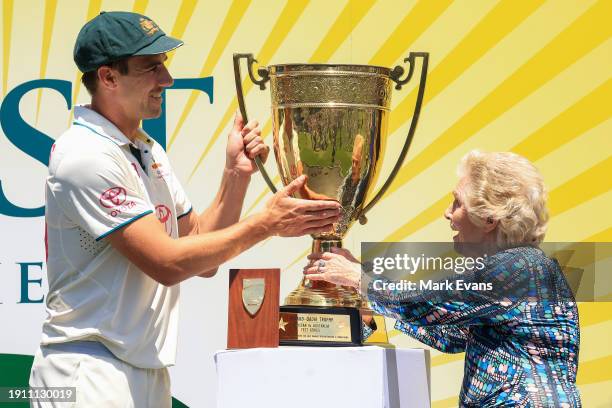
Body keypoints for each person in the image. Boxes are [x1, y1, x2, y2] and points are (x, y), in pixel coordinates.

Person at [30, 11, 341, 407]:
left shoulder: (145, 148)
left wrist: (236, 175)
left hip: (140, 368)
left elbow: (199, 249)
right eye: (151, 68)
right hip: (87, 370)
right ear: (108, 77)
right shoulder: (86, 154)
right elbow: (168, 263)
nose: (167, 80)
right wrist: (266, 224)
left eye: (164, 65)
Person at [304, 151, 581, 407]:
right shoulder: (524, 268)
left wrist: (359, 279)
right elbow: (452, 336)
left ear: (488, 218)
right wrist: (368, 303)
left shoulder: (521, 266)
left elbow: (430, 302)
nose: (447, 213)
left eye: (458, 203)